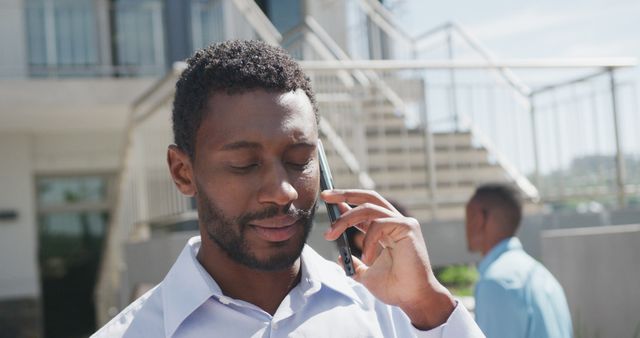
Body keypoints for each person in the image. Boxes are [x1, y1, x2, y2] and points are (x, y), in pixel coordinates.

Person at [92, 40, 483, 337]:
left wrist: (427, 304)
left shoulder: (396, 314)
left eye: (299, 160)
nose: (283, 192)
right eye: (245, 164)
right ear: (182, 171)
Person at [465, 183, 572, 338]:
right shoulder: (544, 275)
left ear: (479, 219)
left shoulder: (496, 282)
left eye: (469, 217)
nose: (466, 226)